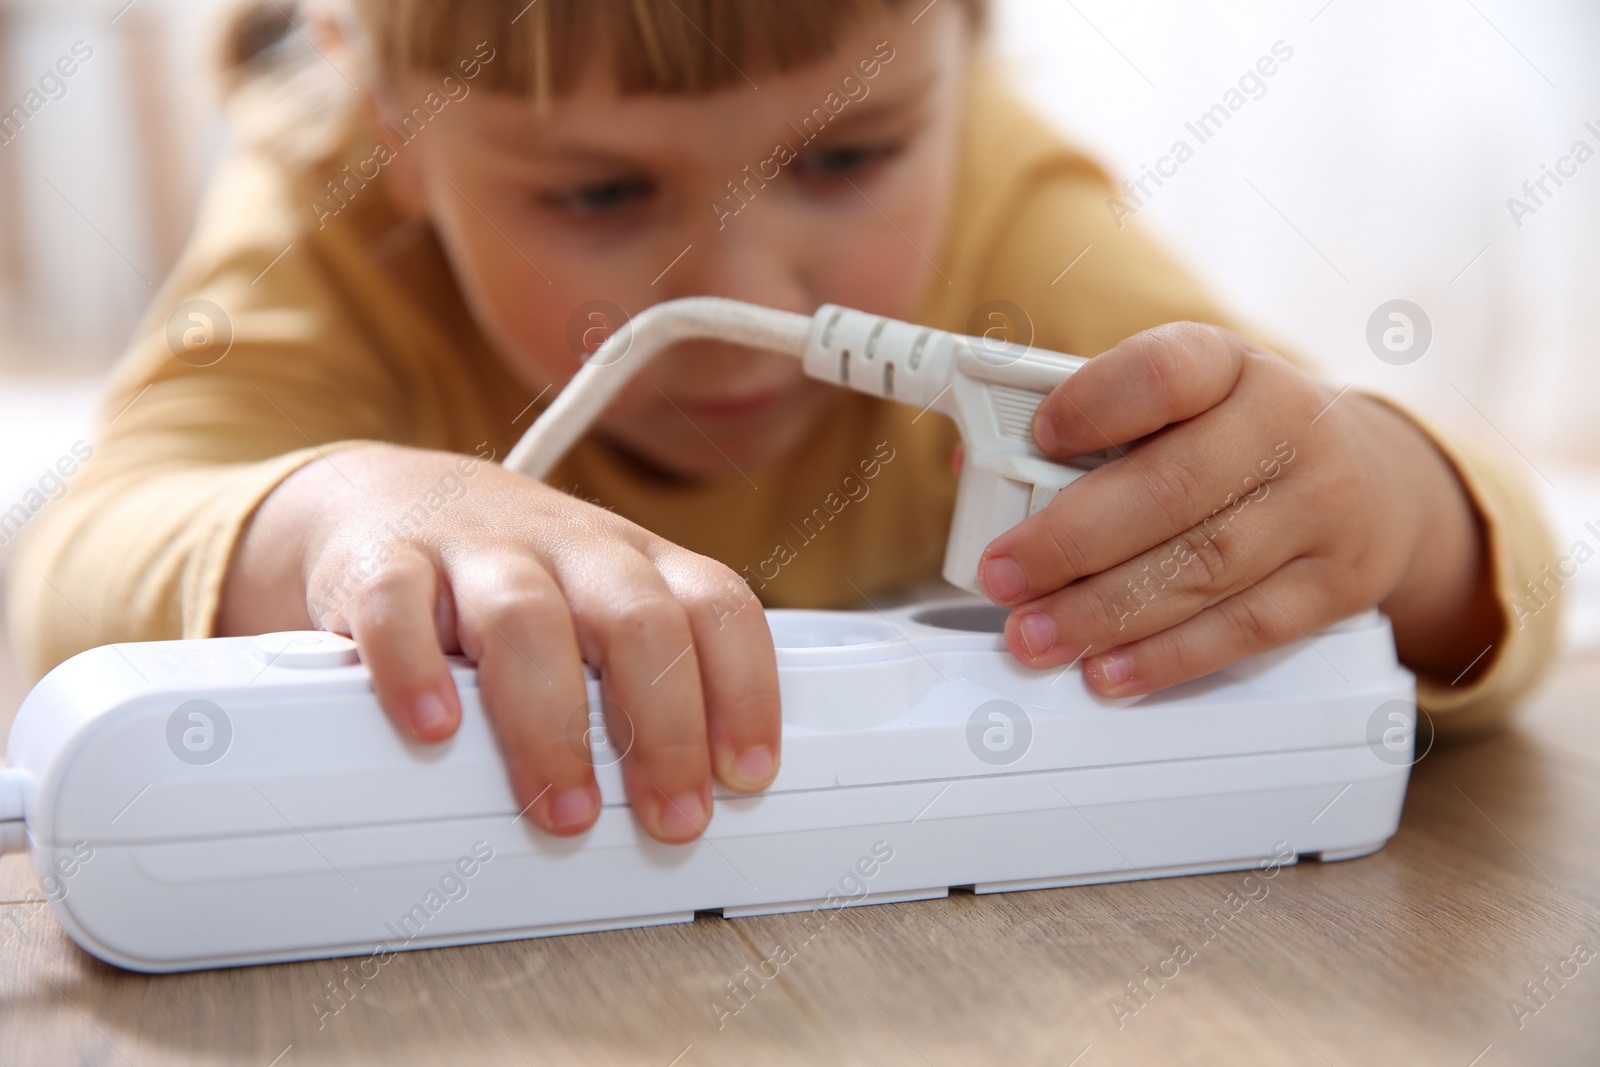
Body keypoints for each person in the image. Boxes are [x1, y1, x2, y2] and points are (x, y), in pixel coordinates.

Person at [7, 0, 1560, 846]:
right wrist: (338, 516)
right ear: (395, 134)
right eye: (602, 192)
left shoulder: (1012, 221)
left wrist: (1396, 510)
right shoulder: (332, 212)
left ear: (969, 44)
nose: (744, 285)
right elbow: (71, 574)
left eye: (846, 163)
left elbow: (1468, 575)